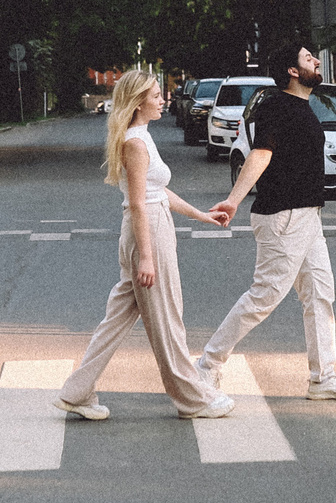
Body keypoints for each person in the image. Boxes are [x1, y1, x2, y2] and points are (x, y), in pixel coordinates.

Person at [54, 69, 235, 421]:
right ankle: (192, 399)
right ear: (138, 103)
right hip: (147, 231)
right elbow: (138, 203)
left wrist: (201, 214)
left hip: (148, 225)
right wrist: (147, 258)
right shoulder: (135, 144)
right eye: (155, 95)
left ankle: (76, 392)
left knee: (117, 319)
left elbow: (157, 192)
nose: (163, 99)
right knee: (167, 318)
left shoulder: (142, 137)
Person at [192, 43, 336, 401]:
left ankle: (323, 378)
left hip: (307, 215)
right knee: (265, 297)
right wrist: (234, 200)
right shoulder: (275, 105)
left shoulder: (303, 106)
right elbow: (261, 153)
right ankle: (207, 365)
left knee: (320, 294)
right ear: (291, 70)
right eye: (308, 58)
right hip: (284, 216)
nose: (316, 61)